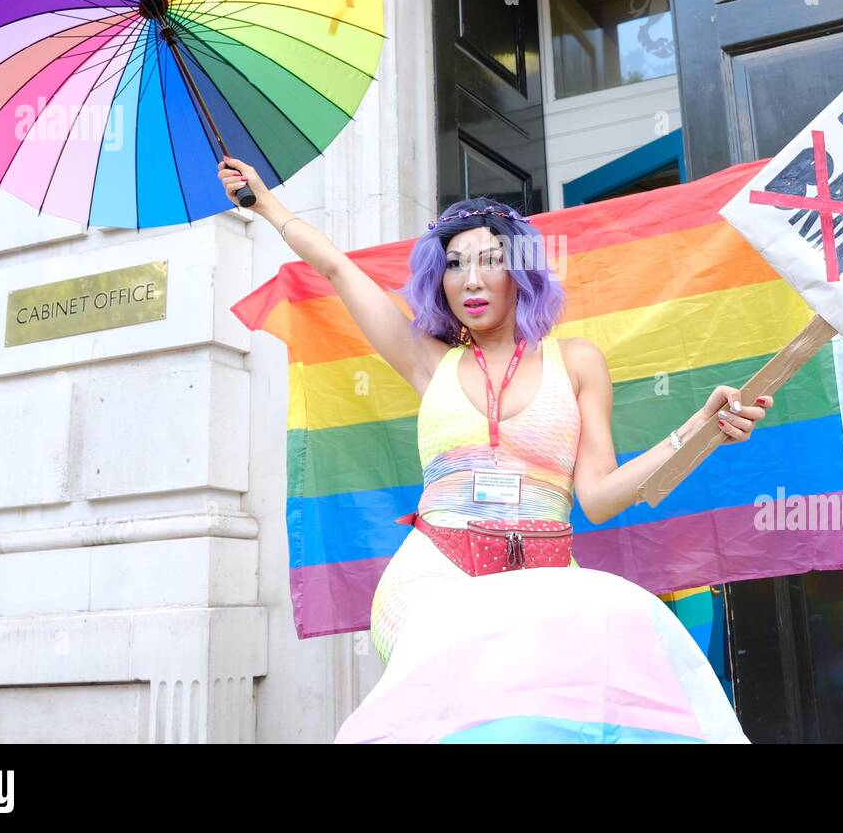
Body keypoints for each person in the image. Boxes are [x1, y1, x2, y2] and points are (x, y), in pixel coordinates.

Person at [218, 157, 772, 743]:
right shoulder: (426, 359)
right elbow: (334, 267)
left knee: (622, 629)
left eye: (490, 261)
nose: (471, 281)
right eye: (454, 266)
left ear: (521, 272)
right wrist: (265, 204)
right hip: (435, 578)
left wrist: (699, 430)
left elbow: (602, 498)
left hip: (546, 575)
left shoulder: (577, 362)